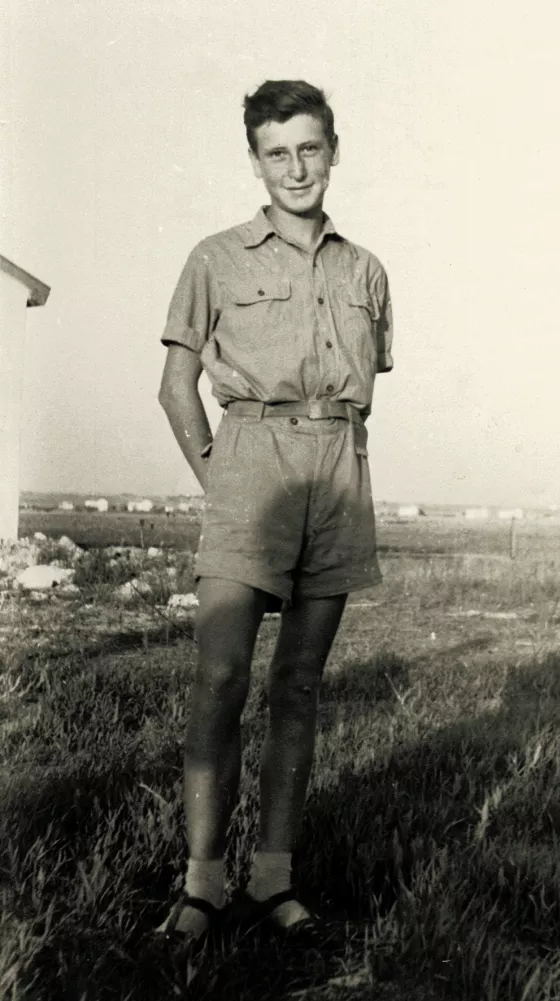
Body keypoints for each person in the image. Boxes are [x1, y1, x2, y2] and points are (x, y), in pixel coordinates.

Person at [155, 79, 393, 952]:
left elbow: (359, 387)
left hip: (337, 473)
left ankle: (274, 876)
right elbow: (176, 384)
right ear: (255, 159)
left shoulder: (365, 268)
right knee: (220, 681)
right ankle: (202, 884)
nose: (297, 167)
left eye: (311, 148)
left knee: (299, 685)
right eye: (277, 152)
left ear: (335, 150)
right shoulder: (215, 257)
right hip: (248, 465)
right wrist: (219, 478)